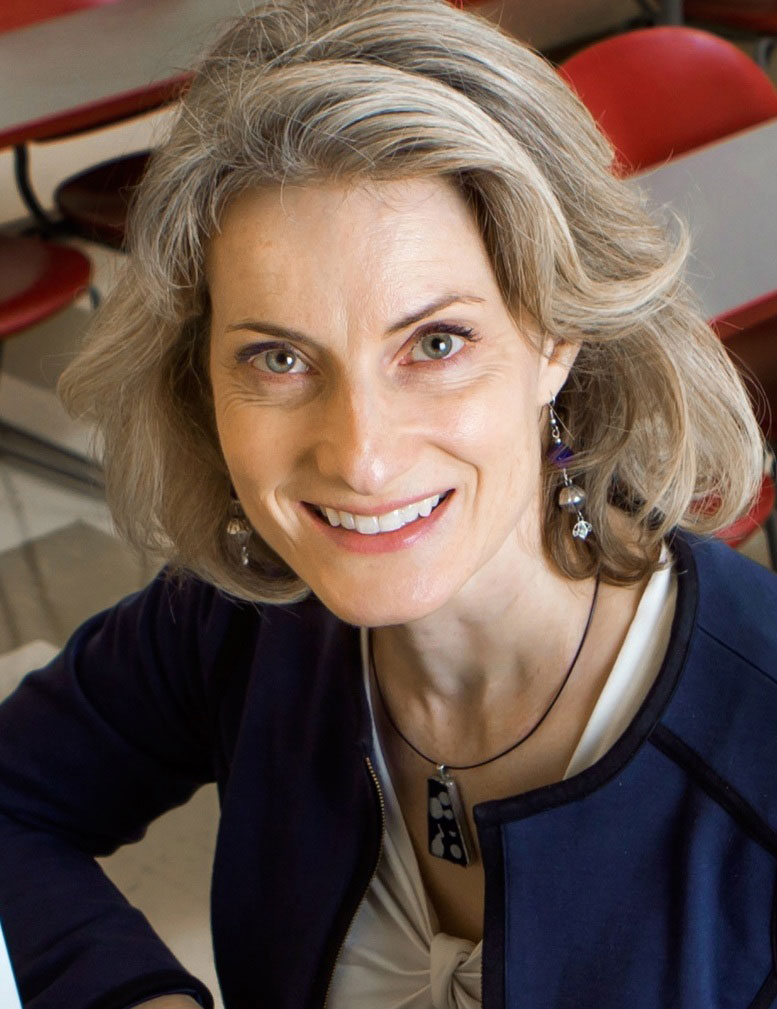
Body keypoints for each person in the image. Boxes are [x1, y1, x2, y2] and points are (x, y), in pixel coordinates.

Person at [1, 1, 775, 1007]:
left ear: (557, 335)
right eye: (277, 357)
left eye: (437, 343)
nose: (360, 456)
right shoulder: (242, 616)